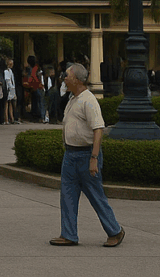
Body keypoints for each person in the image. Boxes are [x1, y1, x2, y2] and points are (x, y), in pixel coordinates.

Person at [51, 63, 124, 248]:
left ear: (76, 79)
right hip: (70, 154)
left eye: (67, 75)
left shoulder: (89, 100)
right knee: (67, 195)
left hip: (85, 155)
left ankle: (115, 231)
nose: (64, 78)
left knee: (95, 195)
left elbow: (98, 130)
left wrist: (94, 158)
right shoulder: (72, 99)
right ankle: (68, 234)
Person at [4, 57, 19, 124]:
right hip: (9, 89)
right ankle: (6, 118)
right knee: (6, 103)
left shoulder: (10, 71)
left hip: (12, 88)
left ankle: (12, 118)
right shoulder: (6, 71)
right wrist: (11, 88)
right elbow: (8, 80)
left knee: (11, 103)